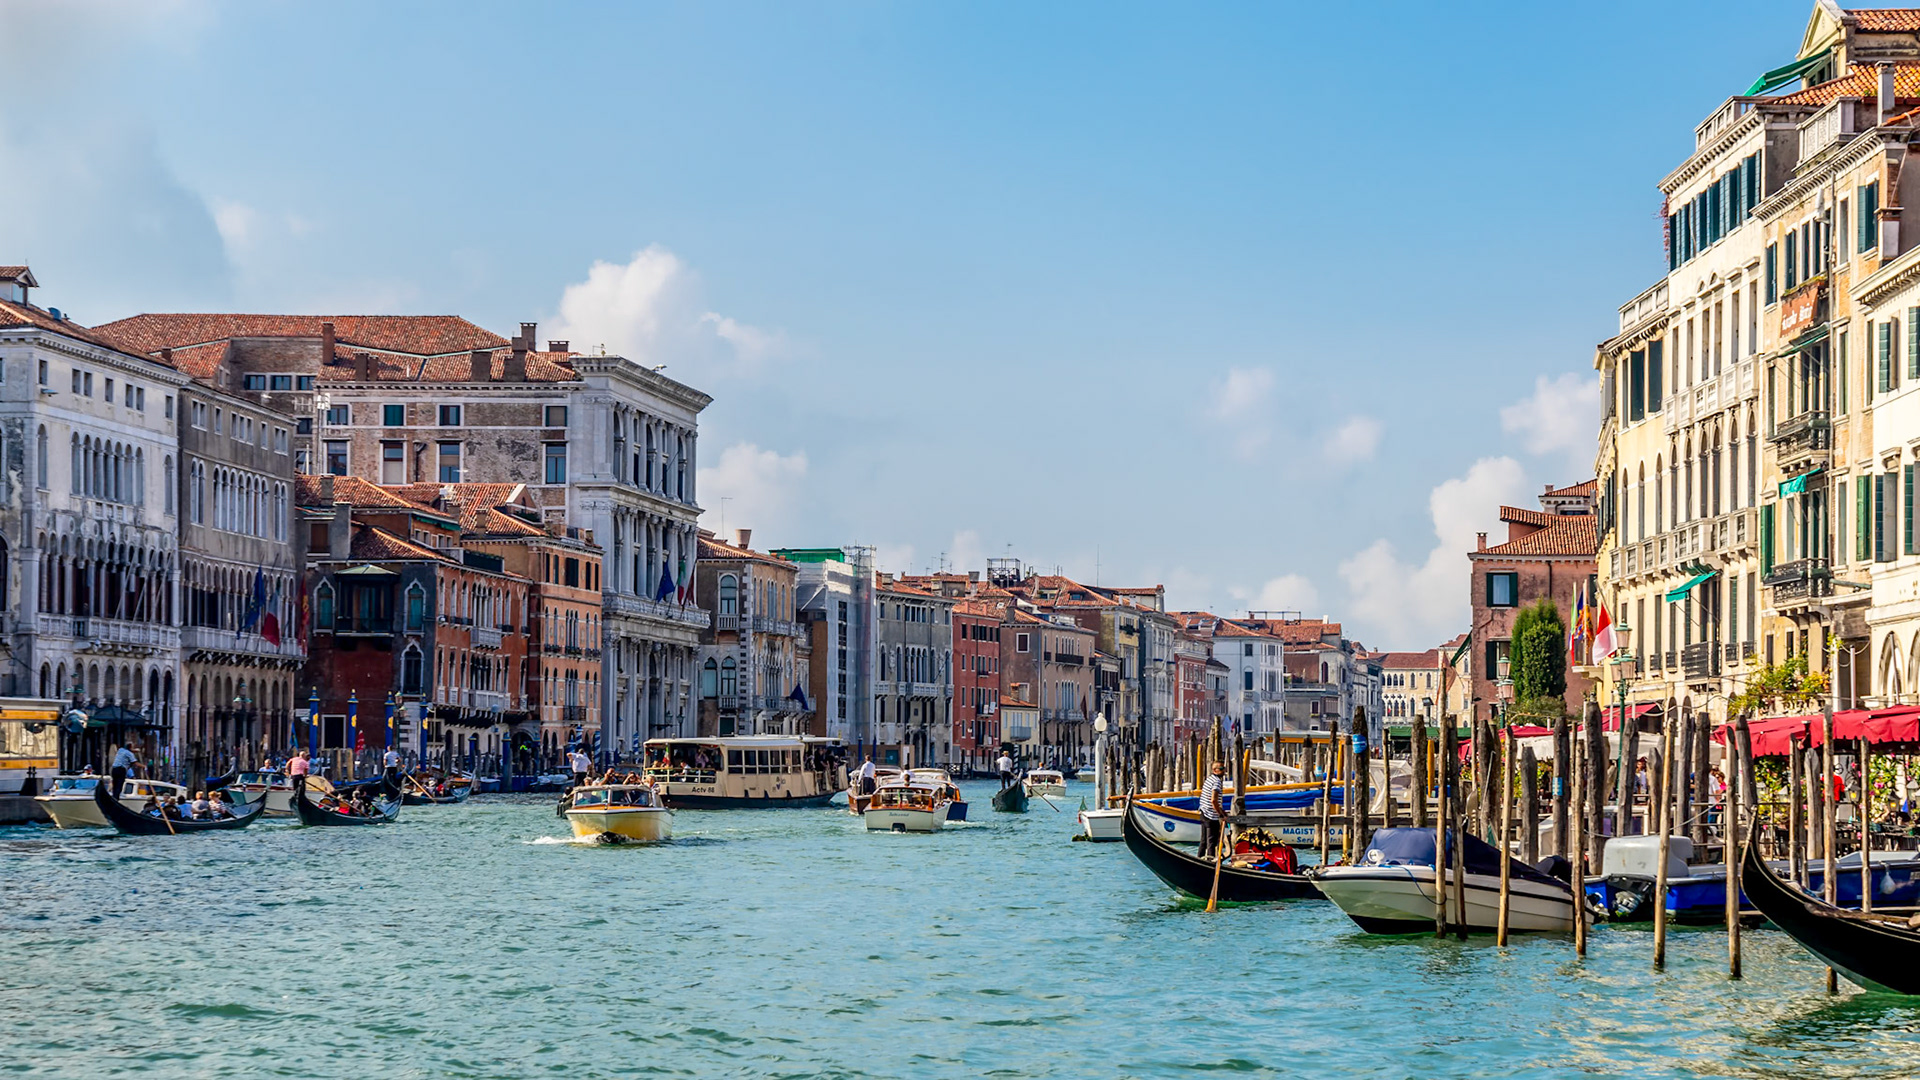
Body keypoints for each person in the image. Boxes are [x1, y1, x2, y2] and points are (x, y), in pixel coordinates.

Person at [1200, 761, 1227, 858]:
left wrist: (1222, 811)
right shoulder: (1216, 782)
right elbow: (1213, 800)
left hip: (1203, 813)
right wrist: (1220, 814)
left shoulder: (1209, 779)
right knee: (1211, 841)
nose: (1224, 770)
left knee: (1204, 841)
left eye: (1224, 768)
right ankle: (1210, 861)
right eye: (1221, 769)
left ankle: (1200, 858)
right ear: (1215, 770)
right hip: (1211, 815)